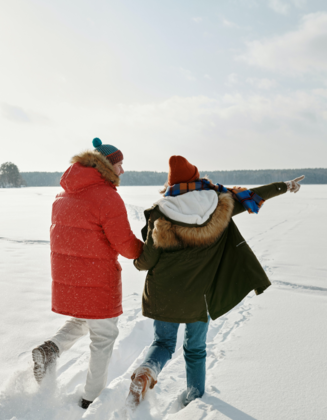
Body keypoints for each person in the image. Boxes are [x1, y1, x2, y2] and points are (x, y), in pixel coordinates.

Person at [126, 155, 305, 408]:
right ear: (196, 179)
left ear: (171, 185)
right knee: (195, 349)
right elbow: (255, 193)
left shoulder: (160, 212)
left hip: (164, 291)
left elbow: (147, 260)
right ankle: (194, 398)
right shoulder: (221, 203)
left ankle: (145, 374)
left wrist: (135, 261)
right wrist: (285, 186)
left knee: (163, 344)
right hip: (201, 295)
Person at [31, 138, 143, 409]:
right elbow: (126, 246)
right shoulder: (107, 196)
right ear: (106, 167)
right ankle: (90, 399)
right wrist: (149, 251)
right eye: (119, 164)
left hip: (70, 275)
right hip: (97, 276)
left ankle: (51, 349)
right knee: (103, 336)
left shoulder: (64, 194)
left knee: (84, 319)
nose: (123, 171)